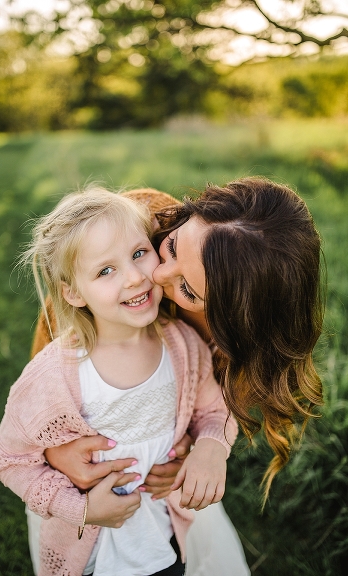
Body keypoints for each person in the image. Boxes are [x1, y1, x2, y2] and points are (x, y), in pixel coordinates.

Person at [0, 188, 237, 576]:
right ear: (72, 293)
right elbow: (8, 460)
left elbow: (214, 409)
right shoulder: (53, 378)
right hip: (86, 552)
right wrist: (82, 509)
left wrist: (211, 447)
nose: (136, 278)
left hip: (164, 539)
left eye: (139, 253)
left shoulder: (184, 347)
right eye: (106, 271)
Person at [36, 180, 323, 503]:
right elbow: (51, 354)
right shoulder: (133, 221)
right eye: (171, 247)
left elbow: (210, 408)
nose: (154, 276)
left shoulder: (238, 352)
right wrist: (53, 451)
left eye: (187, 289)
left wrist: (191, 448)